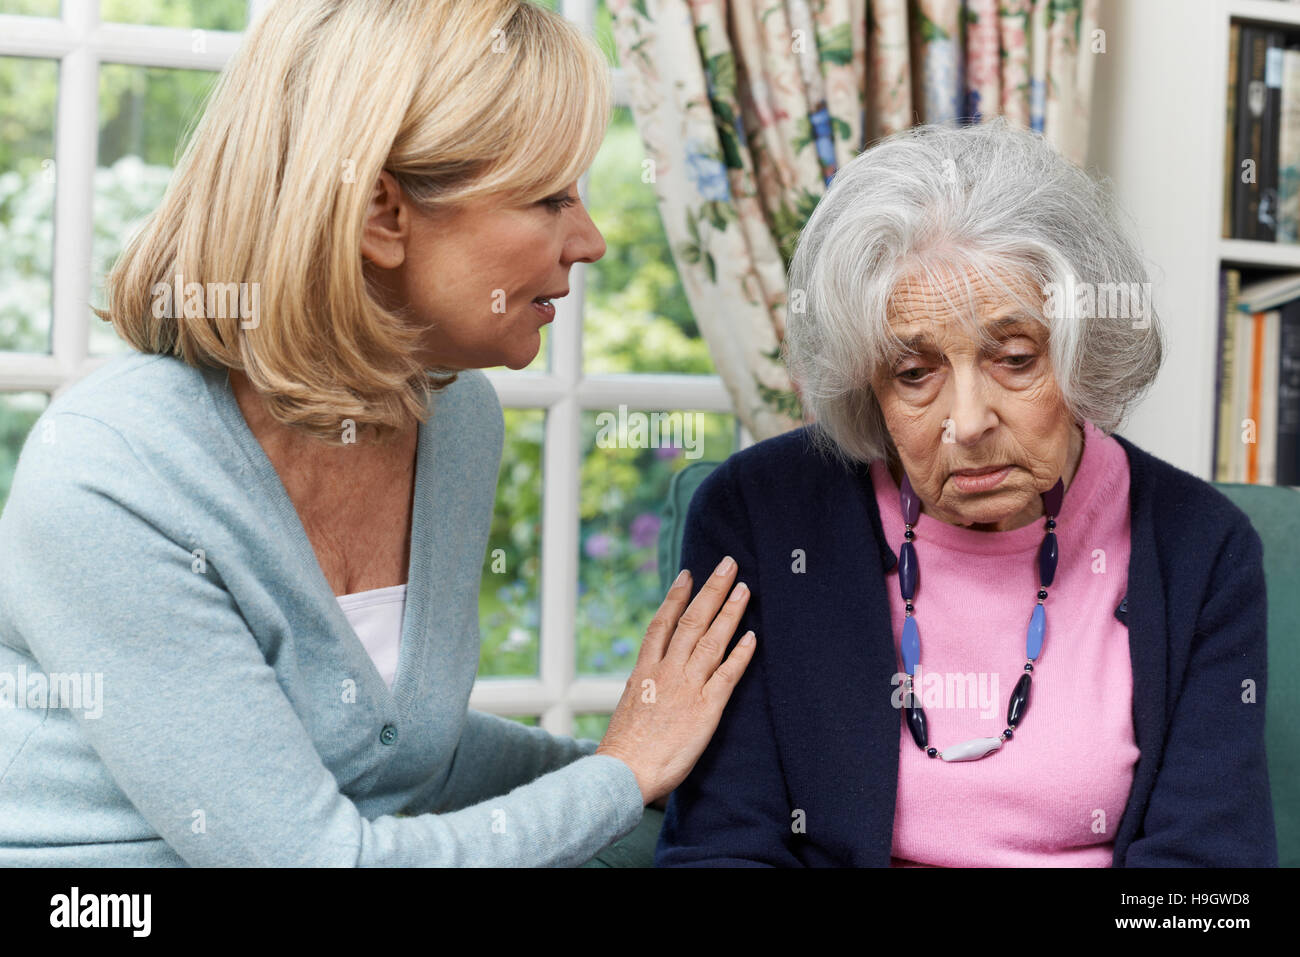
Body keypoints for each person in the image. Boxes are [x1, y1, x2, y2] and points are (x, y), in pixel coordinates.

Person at [0, 0, 756, 867]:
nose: (590, 241)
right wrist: (622, 774)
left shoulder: (452, 413)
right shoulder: (115, 476)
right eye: (548, 198)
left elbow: (398, 755)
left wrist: (664, 783)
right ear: (380, 215)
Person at [655, 119, 1278, 867]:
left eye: (1016, 358)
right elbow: (723, 848)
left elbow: (1209, 880)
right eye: (914, 373)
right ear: (867, 383)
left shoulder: (1199, 547)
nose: (970, 422)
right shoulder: (759, 515)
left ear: (1081, 350)